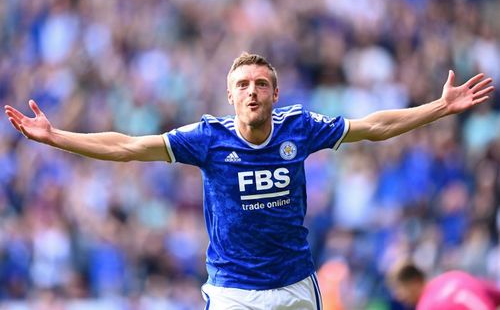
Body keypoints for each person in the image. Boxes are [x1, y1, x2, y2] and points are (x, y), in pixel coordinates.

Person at [4, 53, 495, 310]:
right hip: (234, 290)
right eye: (243, 85)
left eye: (261, 83)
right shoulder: (207, 138)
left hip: (295, 285)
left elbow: (374, 127)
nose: (252, 91)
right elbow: (129, 146)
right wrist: (57, 137)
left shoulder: (299, 127)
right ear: (229, 95)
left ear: (275, 92)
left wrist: (439, 107)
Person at [386, 261, 500, 310]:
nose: (398, 296)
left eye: (399, 289)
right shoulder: (455, 276)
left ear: (414, 282)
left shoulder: (425, 307)